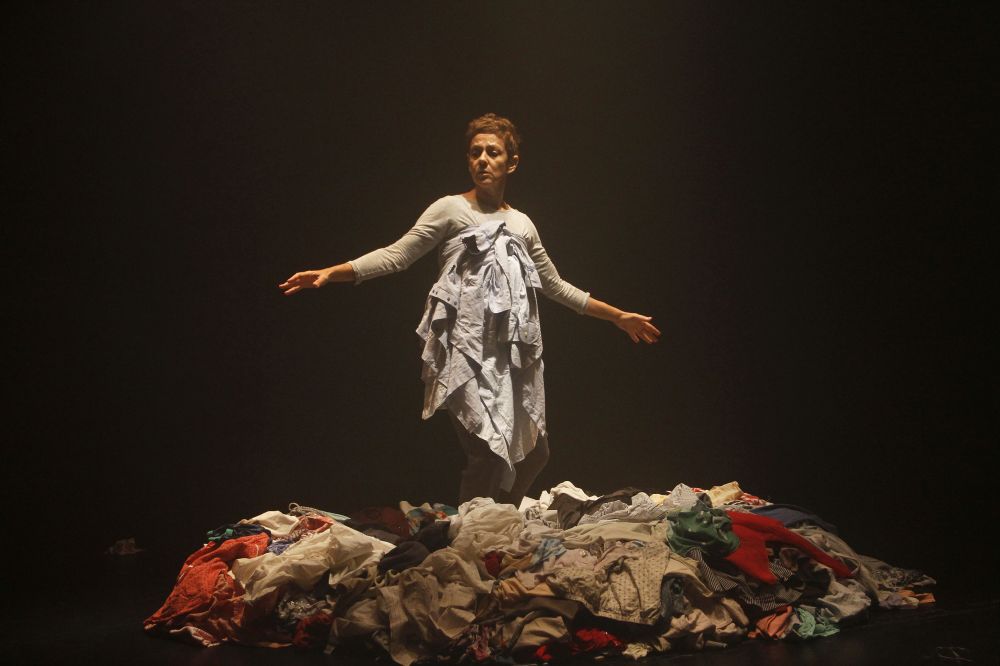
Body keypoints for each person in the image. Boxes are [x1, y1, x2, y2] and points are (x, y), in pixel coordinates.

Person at [279, 113, 660, 507]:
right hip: (466, 351)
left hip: (510, 355)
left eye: (492, 152)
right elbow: (397, 255)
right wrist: (332, 272)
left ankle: (498, 519)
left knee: (535, 453)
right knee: (487, 453)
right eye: (475, 152)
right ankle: (473, 529)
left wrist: (618, 316)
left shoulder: (522, 224)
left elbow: (556, 286)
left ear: (511, 162)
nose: (482, 160)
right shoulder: (450, 209)